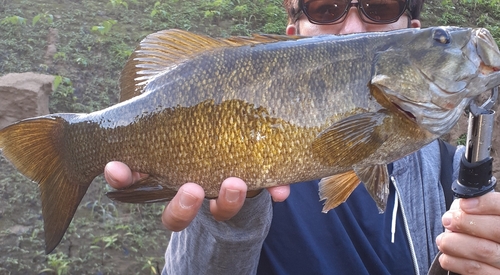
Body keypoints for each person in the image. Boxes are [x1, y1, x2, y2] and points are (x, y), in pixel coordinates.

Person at [104, 0, 500, 274]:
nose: (352, 28)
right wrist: (228, 220)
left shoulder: (452, 176)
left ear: (411, 29)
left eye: (380, 8)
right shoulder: (229, 152)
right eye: (326, 9)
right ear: (294, 34)